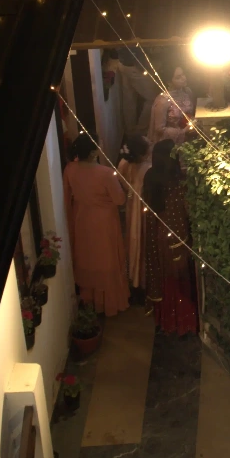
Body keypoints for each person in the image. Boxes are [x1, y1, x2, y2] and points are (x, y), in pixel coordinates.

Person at [62, 135, 131, 316]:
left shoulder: (70, 169)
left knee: (87, 256)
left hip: (81, 219)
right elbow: (119, 200)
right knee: (105, 257)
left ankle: (89, 299)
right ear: (93, 152)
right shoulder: (105, 173)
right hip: (104, 222)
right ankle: (108, 303)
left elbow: (66, 197)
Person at [141, 139, 197, 334]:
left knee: (165, 277)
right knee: (180, 280)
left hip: (159, 233)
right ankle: (181, 323)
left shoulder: (149, 177)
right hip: (177, 234)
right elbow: (187, 209)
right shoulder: (178, 180)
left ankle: (165, 320)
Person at [116, 135, 153, 296]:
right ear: (143, 153)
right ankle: (143, 278)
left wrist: (129, 191)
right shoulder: (148, 168)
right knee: (143, 238)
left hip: (132, 205)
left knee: (132, 236)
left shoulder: (124, 163)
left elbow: (119, 177)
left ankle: (133, 275)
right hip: (143, 207)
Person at [149, 64, 196, 146]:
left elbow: (192, 113)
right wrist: (183, 131)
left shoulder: (187, 91)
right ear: (169, 82)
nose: (183, 78)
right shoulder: (163, 101)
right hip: (171, 142)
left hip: (190, 134)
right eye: (178, 77)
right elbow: (159, 129)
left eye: (183, 74)